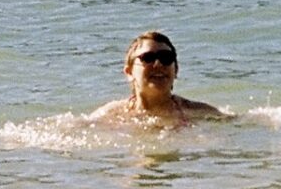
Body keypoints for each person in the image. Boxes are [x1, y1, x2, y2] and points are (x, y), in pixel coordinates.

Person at [91, 31, 228, 126]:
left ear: (176, 71)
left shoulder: (198, 113)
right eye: (148, 58)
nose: (158, 64)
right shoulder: (111, 115)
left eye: (166, 58)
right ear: (129, 72)